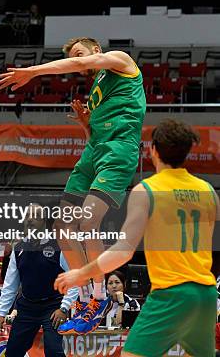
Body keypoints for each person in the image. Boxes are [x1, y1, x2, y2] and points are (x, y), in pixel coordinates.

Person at [0, 37, 146, 334]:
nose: (78, 61)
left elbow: (80, 63)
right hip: (94, 151)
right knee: (63, 227)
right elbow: (96, 132)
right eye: (75, 56)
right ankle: (83, 296)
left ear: (96, 50)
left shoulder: (121, 60)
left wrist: (33, 71)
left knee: (88, 220)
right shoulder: (97, 88)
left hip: (118, 151)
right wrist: (85, 124)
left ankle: (100, 296)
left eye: (80, 53)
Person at [55, 119, 218, 357]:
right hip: (206, 294)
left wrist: (81, 273)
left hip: (171, 292)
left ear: (153, 150)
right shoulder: (208, 191)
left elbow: (124, 250)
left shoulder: (147, 190)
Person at [0, 203, 78, 357]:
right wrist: (2, 312)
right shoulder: (18, 248)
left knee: (54, 351)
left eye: (35, 217)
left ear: (44, 221)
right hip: (27, 306)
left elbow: (74, 278)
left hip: (53, 306)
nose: (30, 220)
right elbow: (10, 284)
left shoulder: (58, 245)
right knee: (13, 351)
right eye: (27, 216)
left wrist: (64, 308)